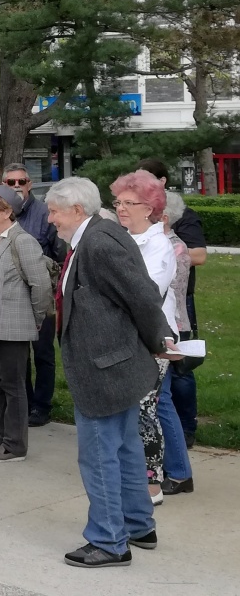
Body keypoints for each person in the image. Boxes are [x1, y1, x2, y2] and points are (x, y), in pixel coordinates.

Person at [45, 176, 178, 568]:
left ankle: (109, 541)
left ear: (77, 210)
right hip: (112, 364)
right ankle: (138, 525)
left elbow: (142, 294)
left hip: (104, 369)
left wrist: (160, 339)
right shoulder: (93, 236)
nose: (50, 219)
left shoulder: (99, 242)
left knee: (100, 456)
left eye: (54, 212)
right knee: (125, 448)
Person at [110, 170, 184, 504]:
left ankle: (152, 484)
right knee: (130, 409)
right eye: (118, 202)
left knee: (144, 409)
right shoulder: (123, 238)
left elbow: (145, 294)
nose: (121, 208)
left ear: (150, 208)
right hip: (125, 335)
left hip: (153, 339)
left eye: (129, 203)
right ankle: (133, 476)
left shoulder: (159, 245)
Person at [136, 158, 207, 448]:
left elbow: (198, 255)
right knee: (162, 390)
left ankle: (185, 428)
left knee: (179, 372)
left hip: (175, 309)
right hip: (161, 311)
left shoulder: (178, 227)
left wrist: (169, 247)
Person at [0, 185, 51, 462]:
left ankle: (15, 445)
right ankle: (2, 439)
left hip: (14, 327)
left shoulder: (22, 241)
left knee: (13, 387)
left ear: (8, 212)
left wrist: (36, 318)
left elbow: (40, 285)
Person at [0, 163, 63, 427]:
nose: (16, 186)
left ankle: (42, 406)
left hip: (41, 294)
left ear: (30, 184)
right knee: (17, 356)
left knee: (43, 352)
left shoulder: (44, 213)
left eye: (21, 181)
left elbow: (59, 255)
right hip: (12, 298)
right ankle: (21, 403)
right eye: (10, 182)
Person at [159, 193, 195, 494]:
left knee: (162, 400)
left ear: (163, 217)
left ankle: (180, 473)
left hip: (170, 329)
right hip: (165, 327)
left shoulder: (174, 247)